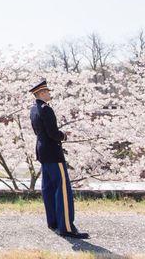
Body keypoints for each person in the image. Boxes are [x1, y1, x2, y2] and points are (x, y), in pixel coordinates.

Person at [29, 79, 89, 239]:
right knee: (62, 189)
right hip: (53, 152)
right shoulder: (46, 110)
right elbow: (53, 133)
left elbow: (38, 131)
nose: (49, 94)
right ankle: (66, 227)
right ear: (41, 93)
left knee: (48, 188)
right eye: (47, 92)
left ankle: (53, 221)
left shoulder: (33, 109)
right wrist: (63, 135)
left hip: (42, 151)